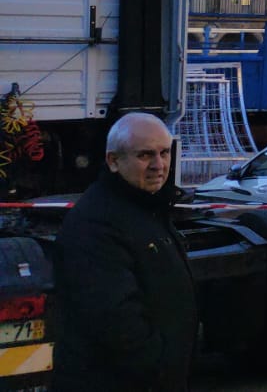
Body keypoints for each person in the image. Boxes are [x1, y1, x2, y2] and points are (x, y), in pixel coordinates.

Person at [55, 112, 197, 392]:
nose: (159, 165)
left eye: (164, 153)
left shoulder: (147, 208)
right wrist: (161, 369)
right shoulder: (97, 223)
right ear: (113, 161)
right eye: (145, 155)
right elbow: (116, 323)